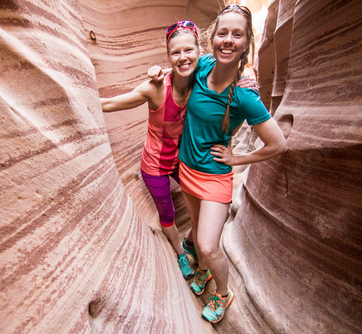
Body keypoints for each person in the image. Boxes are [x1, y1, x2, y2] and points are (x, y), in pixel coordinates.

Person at [152, 4, 287, 323]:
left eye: (237, 34)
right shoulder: (200, 66)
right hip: (186, 168)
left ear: (245, 42)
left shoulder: (245, 95)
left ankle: (223, 294)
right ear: (212, 38)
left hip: (214, 177)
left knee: (209, 245)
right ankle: (201, 271)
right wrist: (157, 73)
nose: (228, 40)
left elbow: (278, 143)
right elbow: (176, 66)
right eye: (223, 32)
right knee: (198, 234)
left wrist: (237, 158)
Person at [101, 20, 259, 280]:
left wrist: (244, 80)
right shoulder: (156, 87)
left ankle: (192, 244)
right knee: (168, 213)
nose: (183, 57)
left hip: (184, 161)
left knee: (200, 212)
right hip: (155, 165)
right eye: (175, 53)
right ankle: (180, 253)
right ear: (168, 56)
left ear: (199, 51)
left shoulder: (201, 78)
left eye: (188, 51)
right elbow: (110, 104)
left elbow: (225, 67)